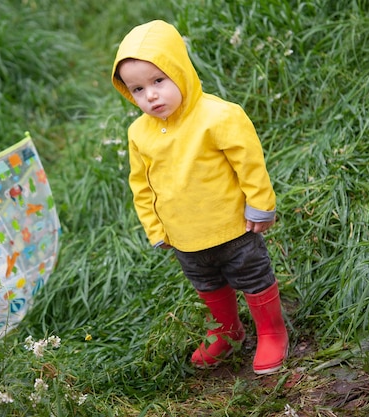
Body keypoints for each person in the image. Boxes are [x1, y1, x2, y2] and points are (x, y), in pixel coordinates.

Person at [111, 20, 288, 375]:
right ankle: (226, 330)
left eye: (159, 81)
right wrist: (155, 226)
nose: (151, 96)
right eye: (138, 89)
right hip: (185, 238)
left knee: (253, 276)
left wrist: (261, 204)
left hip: (235, 228)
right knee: (206, 282)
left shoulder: (219, 116)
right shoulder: (139, 134)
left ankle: (271, 330)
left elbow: (249, 163)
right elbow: (141, 185)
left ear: (180, 70)